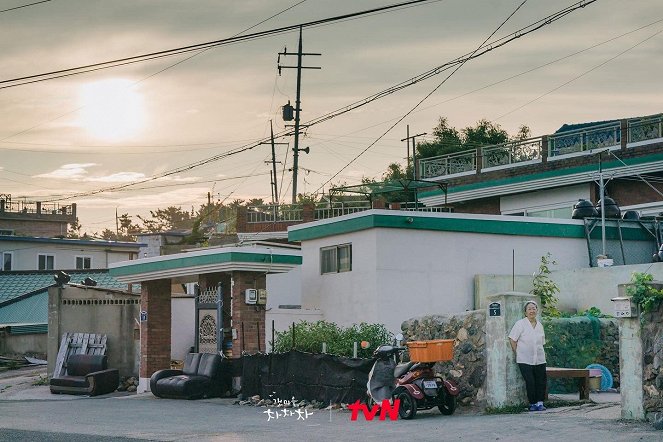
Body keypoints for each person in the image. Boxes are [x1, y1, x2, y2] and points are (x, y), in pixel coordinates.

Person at [509, 300, 547, 411]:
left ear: (537, 311)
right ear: (525, 312)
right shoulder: (520, 324)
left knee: (541, 381)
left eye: (534, 308)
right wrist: (518, 352)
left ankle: (540, 403)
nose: (532, 311)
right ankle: (532, 403)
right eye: (529, 309)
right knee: (530, 381)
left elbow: (542, 343)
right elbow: (512, 339)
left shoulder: (540, 325)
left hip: (539, 358)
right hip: (524, 359)